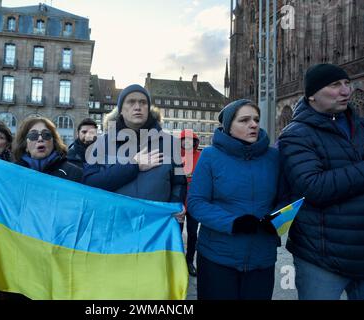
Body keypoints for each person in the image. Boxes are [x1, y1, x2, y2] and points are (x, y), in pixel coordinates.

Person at [278, 63, 364, 300]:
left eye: (347, 83)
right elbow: (314, 188)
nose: (346, 90)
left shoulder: (360, 126)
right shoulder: (296, 134)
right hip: (322, 257)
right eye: (335, 85)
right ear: (312, 95)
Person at [187, 99, 280, 300]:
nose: (253, 124)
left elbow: (286, 197)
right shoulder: (210, 155)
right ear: (229, 127)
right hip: (218, 257)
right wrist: (233, 223)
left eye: (256, 119)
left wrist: (277, 219)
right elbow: (196, 202)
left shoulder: (273, 157)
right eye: (244, 120)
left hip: (261, 257)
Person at [83, 84, 186, 213]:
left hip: (155, 225)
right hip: (116, 224)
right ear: (120, 109)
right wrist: (134, 165)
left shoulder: (169, 142)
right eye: (131, 102)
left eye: (143, 102)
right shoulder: (102, 142)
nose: (137, 107)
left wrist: (176, 204)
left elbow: (179, 183)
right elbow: (90, 183)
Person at [13, 116, 82, 182]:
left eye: (46, 134)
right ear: (25, 144)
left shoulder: (74, 173)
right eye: (33, 135)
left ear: (54, 141)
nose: (40, 139)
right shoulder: (13, 172)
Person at [180, 129, 201, 277]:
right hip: (179, 204)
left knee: (193, 234)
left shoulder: (201, 156)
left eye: (190, 141)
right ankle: (178, 262)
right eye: (184, 140)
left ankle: (189, 261)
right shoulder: (174, 157)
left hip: (194, 203)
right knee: (176, 233)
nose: (187, 143)